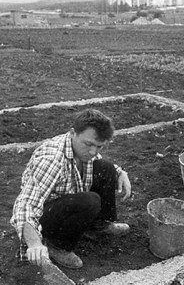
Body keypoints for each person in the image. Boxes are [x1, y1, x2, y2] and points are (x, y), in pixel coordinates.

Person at [10, 108, 132, 276]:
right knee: (90, 201)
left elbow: (97, 159)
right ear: (73, 133)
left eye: (99, 146)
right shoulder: (51, 160)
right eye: (88, 144)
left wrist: (120, 172)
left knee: (106, 168)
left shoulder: (83, 150)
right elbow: (26, 204)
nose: (93, 152)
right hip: (46, 216)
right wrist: (34, 244)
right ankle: (57, 245)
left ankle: (98, 225)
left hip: (66, 200)